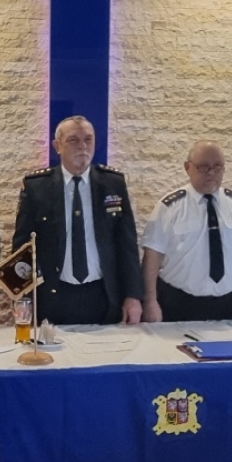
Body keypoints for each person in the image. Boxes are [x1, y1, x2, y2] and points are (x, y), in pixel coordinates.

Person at [12, 115, 142, 325]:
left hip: (103, 293)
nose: (82, 146)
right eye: (73, 140)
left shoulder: (112, 183)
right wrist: (22, 298)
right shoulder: (37, 187)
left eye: (88, 139)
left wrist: (133, 296)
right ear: (57, 146)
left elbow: (127, 245)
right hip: (54, 295)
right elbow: (22, 248)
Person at [142, 141, 232, 322]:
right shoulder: (169, 207)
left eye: (217, 166)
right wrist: (150, 301)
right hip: (179, 303)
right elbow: (152, 258)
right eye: (203, 167)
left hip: (231, 303)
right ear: (187, 167)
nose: (211, 172)